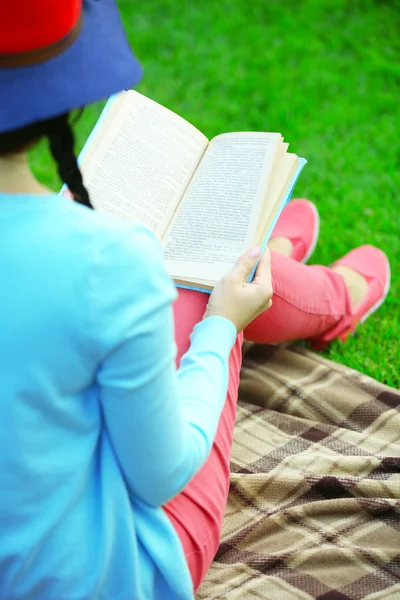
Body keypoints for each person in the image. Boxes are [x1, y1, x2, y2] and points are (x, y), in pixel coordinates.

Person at [0, 2, 390, 599]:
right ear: (61, 97)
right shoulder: (105, 261)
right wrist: (221, 331)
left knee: (188, 276)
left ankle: (276, 256)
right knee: (205, 283)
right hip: (112, 578)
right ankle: (324, 293)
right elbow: (160, 473)